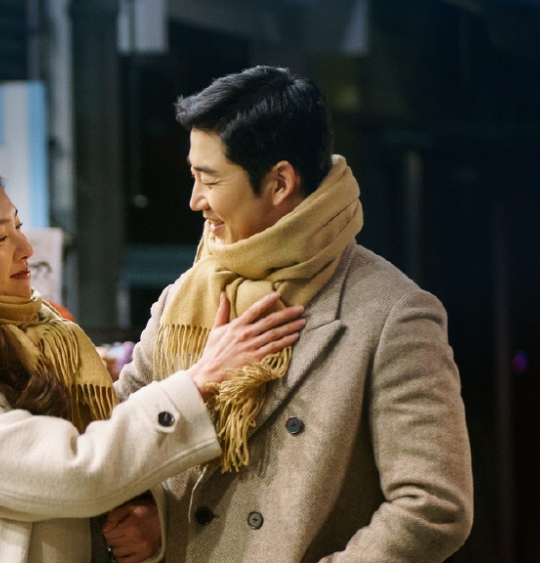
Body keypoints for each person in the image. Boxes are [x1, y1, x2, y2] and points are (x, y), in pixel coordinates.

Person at [0, 161, 306, 563]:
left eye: (18, 226)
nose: (25, 249)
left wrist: (151, 518)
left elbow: (110, 451)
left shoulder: (47, 336)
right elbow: (74, 473)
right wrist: (198, 380)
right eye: (0, 238)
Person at [108, 65, 474, 562]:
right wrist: (154, 515)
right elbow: (119, 432)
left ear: (280, 182)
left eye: (208, 180)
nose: (195, 201)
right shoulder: (186, 296)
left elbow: (432, 505)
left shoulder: (392, 312)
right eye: (193, 177)